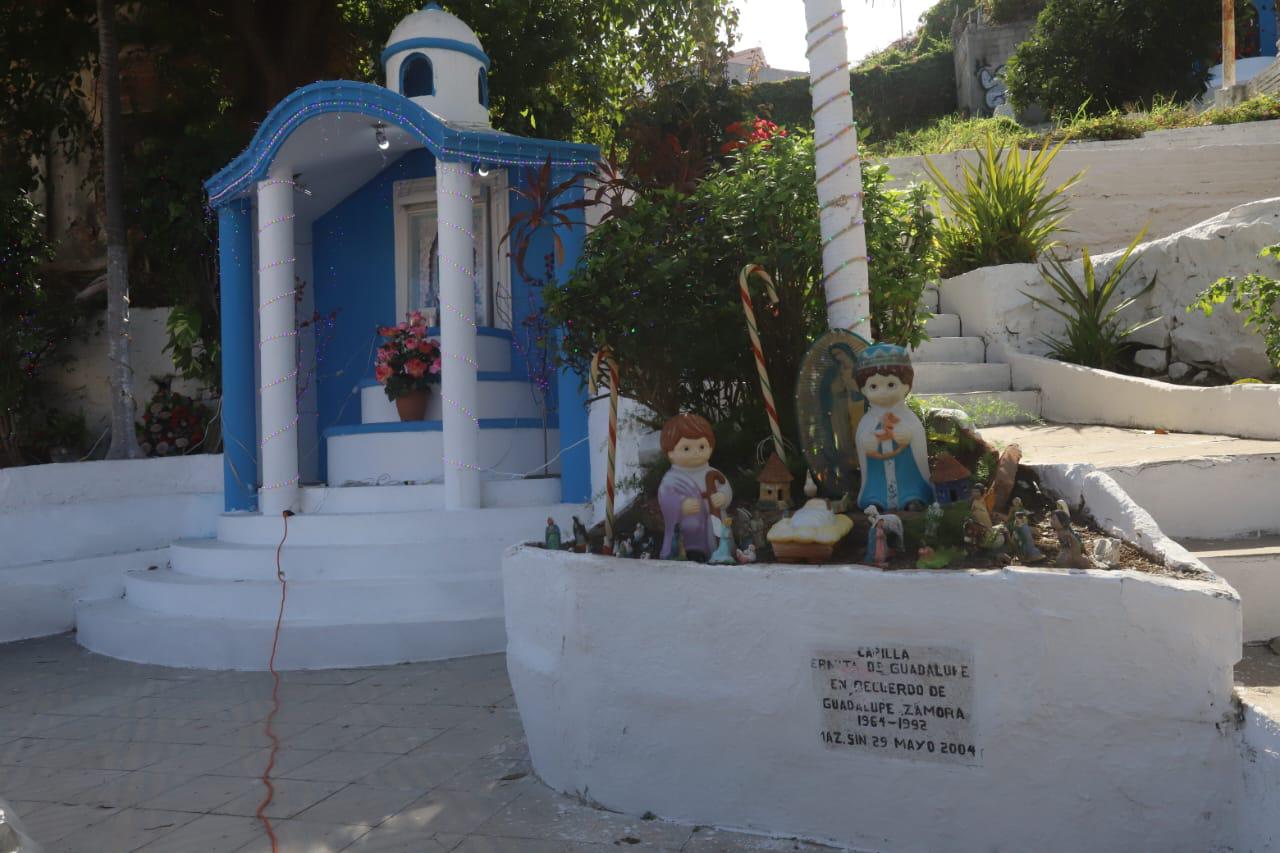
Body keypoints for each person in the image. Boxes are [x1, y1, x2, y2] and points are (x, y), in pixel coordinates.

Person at [853, 344, 935, 511]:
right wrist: (867, 443)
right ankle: (875, 500)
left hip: (906, 473)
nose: (883, 392)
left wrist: (909, 435)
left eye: (891, 385)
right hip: (877, 477)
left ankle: (913, 498)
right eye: (874, 386)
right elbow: (862, 438)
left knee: (912, 489)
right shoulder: (868, 420)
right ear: (863, 389)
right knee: (874, 492)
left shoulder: (907, 417)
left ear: (906, 386)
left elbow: (918, 438)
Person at [657, 413, 732, 562]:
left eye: (702, 446)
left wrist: (723, 497)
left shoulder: (713, 473)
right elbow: (665, 498)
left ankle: (720, 553)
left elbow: (725, 488)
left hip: (713, 523)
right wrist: (681, 505)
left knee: (718, 537)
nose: (696, 453)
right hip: (689, 527)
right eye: (686, 449)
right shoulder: (671, 479)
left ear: (710, 448)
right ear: (670, 453)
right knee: (686, 546)